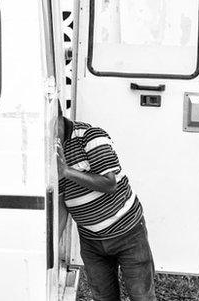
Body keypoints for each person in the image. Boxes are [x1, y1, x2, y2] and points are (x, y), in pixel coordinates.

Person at [57, 105, 156, 301]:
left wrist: (67, 171)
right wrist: (52, 244)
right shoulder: (54, 151)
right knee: (103, 297)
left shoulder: (90, 136)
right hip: (91, 241)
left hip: (127, 233)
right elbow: (62, 205)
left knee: (141, 296)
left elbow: (109, 184)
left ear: (58, 117)